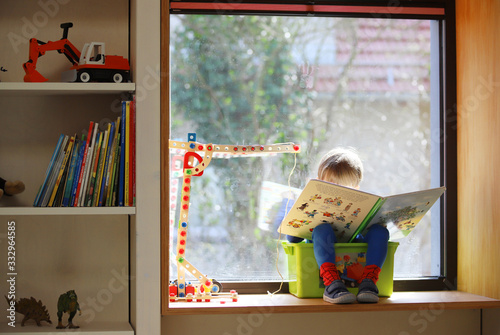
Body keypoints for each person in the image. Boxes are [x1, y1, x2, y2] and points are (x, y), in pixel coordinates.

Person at [287, 147, 389, 304]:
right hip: (323, 247)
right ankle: (331, 285)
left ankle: (368, 282)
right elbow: (292, 239)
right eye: (332, 187)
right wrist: (303, 207)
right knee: (322, 229)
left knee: (380, 232)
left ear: (356, 189)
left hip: (353, 247)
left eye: (346, 189)